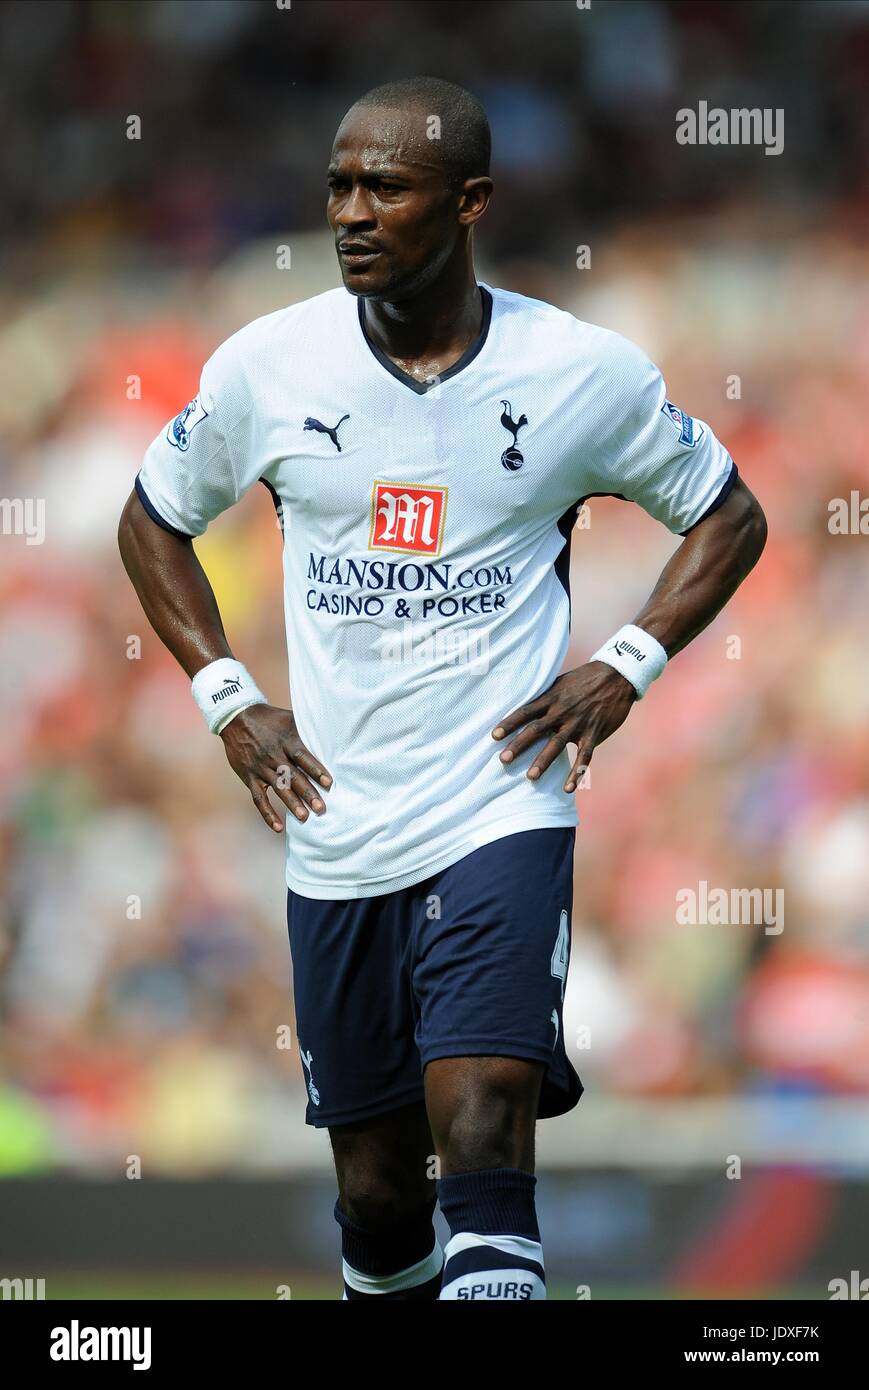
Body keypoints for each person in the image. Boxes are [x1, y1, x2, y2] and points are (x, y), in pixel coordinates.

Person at [118, 76, 767, 1301]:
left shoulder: (581, 371)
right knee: (373, 1190)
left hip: (500, 803)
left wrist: (625, 666)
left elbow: (728, 515)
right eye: (338, 187)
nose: (350, 212)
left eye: (384, 187)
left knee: (479, 1120)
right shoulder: (268, 365)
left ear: (468, 202)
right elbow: (151, 522)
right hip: (337, 824)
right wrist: (225, 697)